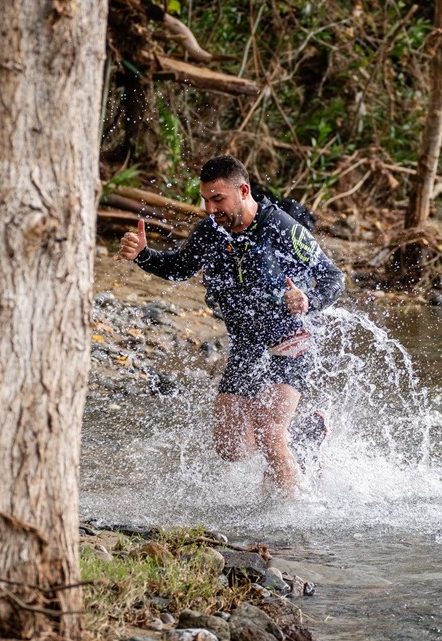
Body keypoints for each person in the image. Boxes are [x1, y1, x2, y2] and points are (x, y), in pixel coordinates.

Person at [117, 156, 345, 495]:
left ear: (243, 190)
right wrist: (144, 256)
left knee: (269, 434)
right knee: (230, 446)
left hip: (290, 339)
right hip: (246, 345)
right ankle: (305, 436)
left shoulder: (280, 227)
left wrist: (308, 299)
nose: (210, 208)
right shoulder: (211, 232)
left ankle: (293, 527)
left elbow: (333, 277)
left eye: (218, 199)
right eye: (205, 200)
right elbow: (180, 267)